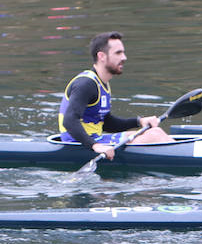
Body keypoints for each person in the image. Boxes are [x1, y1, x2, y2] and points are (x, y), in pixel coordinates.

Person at [57, 32, 173, 161]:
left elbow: (106, 123)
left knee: (150, 132)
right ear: (101, 56)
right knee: (155, 134)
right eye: (118, 53)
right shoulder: (86, 84)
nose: (124, 57)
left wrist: (139, 122)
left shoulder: (102, 83)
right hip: (78, 144)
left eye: (123, 52)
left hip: (95, 138)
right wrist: (95, 146)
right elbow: (69, 120)